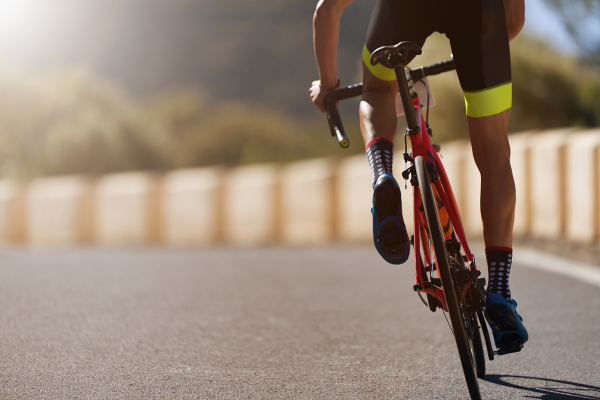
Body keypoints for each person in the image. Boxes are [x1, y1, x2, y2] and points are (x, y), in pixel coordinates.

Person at [310, 0, 528, 351]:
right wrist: (480, 53)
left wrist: (328, 83)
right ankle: (500, 290)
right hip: (479, 13)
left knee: (378, 89)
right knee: (494, 156)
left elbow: (327, 9)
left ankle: (383, 172)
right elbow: (513, 21)